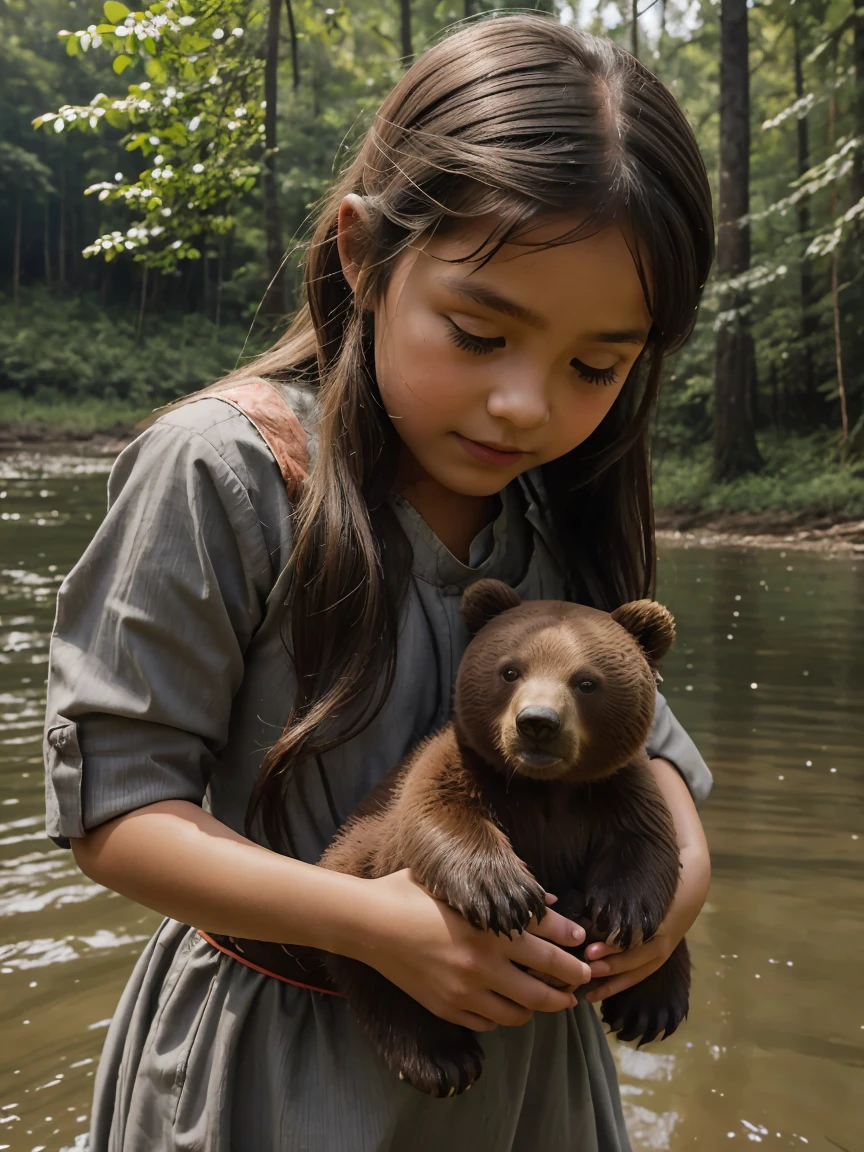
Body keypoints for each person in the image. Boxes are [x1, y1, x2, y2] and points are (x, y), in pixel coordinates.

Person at [43, 13, 714, 1151]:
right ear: (363, 253)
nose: (527, 404)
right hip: (279, 1067)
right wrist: (373, 924)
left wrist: (675, 899)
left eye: (596, 365)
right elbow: (115, 810)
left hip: (530, 1086)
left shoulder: (559, 507)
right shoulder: (226, 473)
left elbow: (654, 766)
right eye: (476, 330)